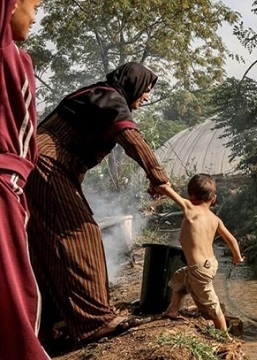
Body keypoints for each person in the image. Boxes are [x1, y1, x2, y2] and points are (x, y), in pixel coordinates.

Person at [25, 62, 171, 343]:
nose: (148, 96)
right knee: (82, 234)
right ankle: (94, 321)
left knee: (48, 246)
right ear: (134, 83)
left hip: (44, 168)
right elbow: (131, 139)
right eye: (147, 89)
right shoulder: (108, 98)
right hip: (46, 167)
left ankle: (60, 322)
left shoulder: (99, 96)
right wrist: (158, 176)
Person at [0, 0, 50, 358]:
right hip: (3, 192)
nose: (36, 16)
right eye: (34, 5)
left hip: (14, 188)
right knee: (17, 299)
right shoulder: (4, 52)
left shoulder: (19, 58)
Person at [156, 174, 243, 332]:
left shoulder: (190, 208)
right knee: (179, 279)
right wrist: (237, 257)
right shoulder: (215, 218)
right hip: (208, 264)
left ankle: (225, 336)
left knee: (211, 304)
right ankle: (173, 309)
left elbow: (166, 190)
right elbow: (231, 240)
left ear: (190, 195)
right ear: (214, 198)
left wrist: (158, 184)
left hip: (199, 269)